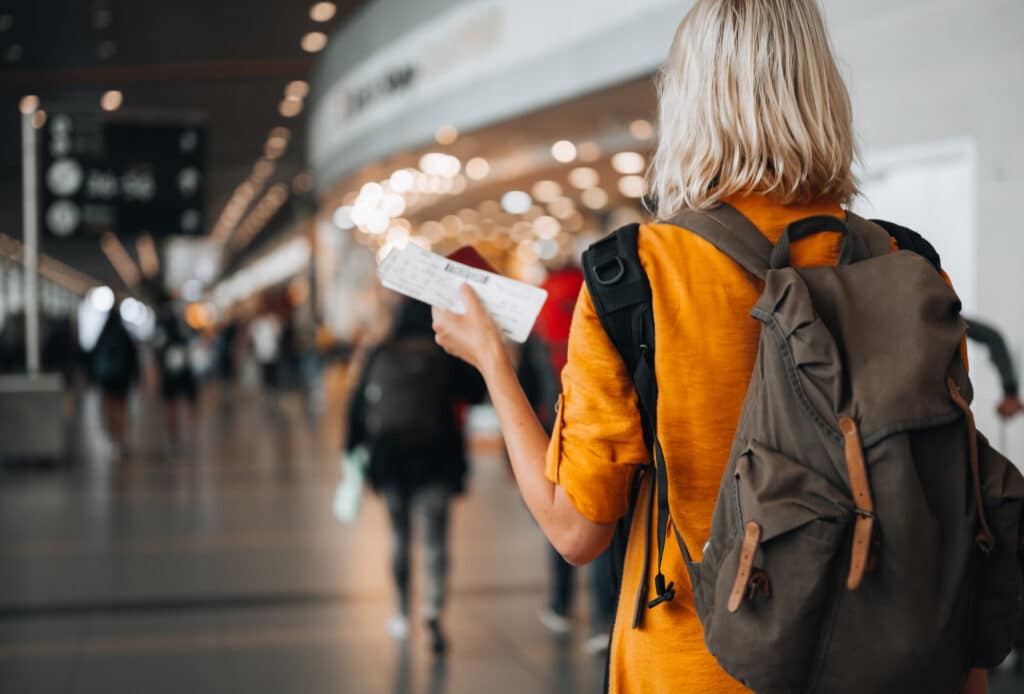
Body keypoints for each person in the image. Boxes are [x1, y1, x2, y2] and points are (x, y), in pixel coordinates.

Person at [430, 1, 990, 692]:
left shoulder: (631, 275)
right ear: (821, 91)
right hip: (896, 666)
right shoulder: (910, 267)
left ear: (688, 102)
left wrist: (490, 359)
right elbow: (954, 502)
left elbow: (575, 532)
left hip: (695, 669)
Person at [345, 298, 485, 656]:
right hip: (436, 458)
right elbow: (476, 392)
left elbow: (358, 405)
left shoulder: (380, 350)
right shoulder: (443, 352)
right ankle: (433, 611)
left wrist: (353, 449)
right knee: (435, 540)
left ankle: (402, 614)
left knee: (399, 536)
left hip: (390, 459)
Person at [517, 263, 615, 652]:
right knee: (599, 519)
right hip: (596, 420)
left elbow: (525, 375)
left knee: (559, 518)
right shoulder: (598, 291)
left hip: (548, 425)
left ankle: (560, 605)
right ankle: (603, 619)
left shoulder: (539, 303)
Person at [90, 308, 139, 455]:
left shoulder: (103, 334)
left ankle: (112, 436)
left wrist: (93, 377)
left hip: (107, 378)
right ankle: (121, 437)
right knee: (121, 407)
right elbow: (133, 356)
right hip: (123, 378)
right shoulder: (124, 334)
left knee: (110, 407)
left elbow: (93, 356)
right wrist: (135, 376)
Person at [153, 295, 199, 448]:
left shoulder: (161, 324)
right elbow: (193, 342)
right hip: (185, 368)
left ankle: (175, 434)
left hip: (169, 371)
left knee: (171, 402)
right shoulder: (184, 324)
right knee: (189, 400)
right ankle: (191, 431)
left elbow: (157, 349)